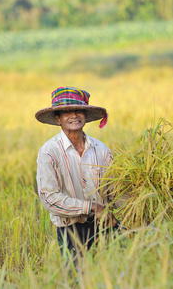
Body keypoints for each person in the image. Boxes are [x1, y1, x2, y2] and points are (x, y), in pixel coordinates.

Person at [35, 86, 118, 263]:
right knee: (77, 278)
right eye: (66, 112)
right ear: (58, 119)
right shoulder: (49, 152)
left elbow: (113, 190)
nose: (74, 115)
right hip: (71, 231)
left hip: (105, 225)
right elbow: (49, 198)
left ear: (85, 116)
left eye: (79, 110)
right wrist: (92, 207)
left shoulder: (101, 150)